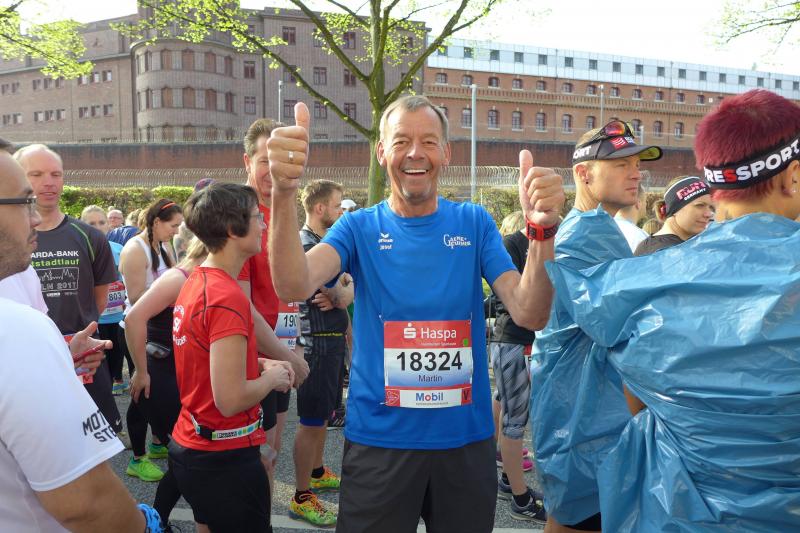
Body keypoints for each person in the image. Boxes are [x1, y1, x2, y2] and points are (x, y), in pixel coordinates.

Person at [267, 95, 564, 532]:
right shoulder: (358, 227)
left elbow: (530, 313)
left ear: (446, 152)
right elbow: (293, 284)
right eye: (401, 141)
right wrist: (283, 192)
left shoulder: (475, 223)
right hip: (379, 443)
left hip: (465, 442)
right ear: (381, 152)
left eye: (428, 141)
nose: (415, 153)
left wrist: (541, 232)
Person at [547, 89, 800, 531]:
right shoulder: (612, 252)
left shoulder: (645, 282)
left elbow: (636, 397)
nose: (634, 173)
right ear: (792, 176)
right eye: (621, 164)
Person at [0, 147, 162, 533]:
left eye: (54, 175)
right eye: (24, 200)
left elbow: (99, 301)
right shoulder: (18, 329)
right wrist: (142, 526)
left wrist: (58, 354)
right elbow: (85, 503)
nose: (35, 217)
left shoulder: (77, 244)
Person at [531, 120, 663, 533]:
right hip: (583, 417)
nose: (636, 173)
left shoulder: (596, 228)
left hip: (587, 410)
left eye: (637, 164)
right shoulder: (584, 235)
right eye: (622, 164)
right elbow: (627, 322)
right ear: (583, 174)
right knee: (579, 518)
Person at [169, 183, 294, 532]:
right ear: (231, 229)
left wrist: (259, 363)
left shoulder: (199, 280)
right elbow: (230, 399)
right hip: (223, 455)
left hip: (197, 445)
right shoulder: (227, 296)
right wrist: (271, 378)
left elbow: (205, 358)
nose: (264, 225)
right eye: (256, 217)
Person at [15, 143, 123, 438]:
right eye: (36, 174)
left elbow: (98, 300)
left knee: (98, 444)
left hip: (85, 360)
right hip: (27, 364)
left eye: (56, 174)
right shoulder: (8, 242)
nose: (48, 182)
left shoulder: (89, 237)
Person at [238, 117, 310, 500]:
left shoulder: (283, 212)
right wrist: (286, 355)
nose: (273, 169)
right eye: (264, 160)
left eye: (280, 159)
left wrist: (295, 346)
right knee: (255, 459)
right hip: (253, 362)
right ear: (247, 162)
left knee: (272, 453)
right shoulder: (240, 216)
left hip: (281, 354)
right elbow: (239, 306)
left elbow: (289, 293)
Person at [125, 237, 208, 526]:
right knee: (188, 458)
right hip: (159, 378)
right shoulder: (178, 278)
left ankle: (157, 521)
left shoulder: (200, 277)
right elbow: (133, 319)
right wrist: (141, 371)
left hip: (177, 377)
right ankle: (157, 521)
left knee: (184, 460)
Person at [289, 179, 353, 527]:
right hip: (316, 344)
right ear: (319, 208)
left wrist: (344, 288)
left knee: (324, 417)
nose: (341, 211)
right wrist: (343, 288)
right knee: (311, 421)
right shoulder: (307, 245)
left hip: (331, 342)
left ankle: (316, 472)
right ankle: (301, 497)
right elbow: (339, 293)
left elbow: (347, 288)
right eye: (337, 205)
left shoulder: (324, 244)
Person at [119, 198, 183, 482]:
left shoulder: (164, 245)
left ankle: (157, 443)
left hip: (161, 330)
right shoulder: (135, 249)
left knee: (155, 389)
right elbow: (135, 299)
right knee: (141, 393)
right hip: (137, 330)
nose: (176, 231)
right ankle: (137, 458)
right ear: (157, 222)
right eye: (173, 225)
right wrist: (167, 292)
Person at [488, 210, 543, 522]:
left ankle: (510, 480)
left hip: (525, 342)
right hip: (513, 341)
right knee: (515, 421)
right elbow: (512, 296)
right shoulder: (512, 243)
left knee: (511, 410)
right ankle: (520, 501)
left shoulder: (542, 243)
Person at [81, 205, 130, 395]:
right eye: (91, 223)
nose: (97, 227)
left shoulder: (119, 249)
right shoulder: (80, 250)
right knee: (99, 362)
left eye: (101, 222)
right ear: (82, 225)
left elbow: (126, 279)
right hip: (94, 319)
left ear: (108, 225)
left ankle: (115, 383)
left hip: (117, 314)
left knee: (117, 354)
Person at [634, 176, 714, 255]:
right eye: (700, 205)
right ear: (675, 208)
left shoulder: (645, 245)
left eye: (711, 207)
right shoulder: (675, 253)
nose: (709, 214)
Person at [614, 182, 649, 252]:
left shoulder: (602, 229)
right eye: (645, 201)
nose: (646, 204)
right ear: (638, 203)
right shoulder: (640, 237)